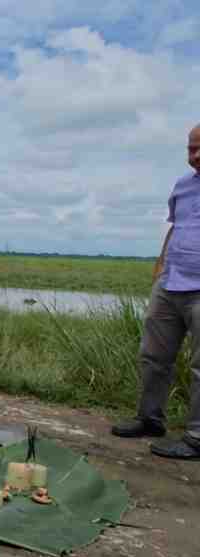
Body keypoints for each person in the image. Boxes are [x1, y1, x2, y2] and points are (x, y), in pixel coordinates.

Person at [112, 124, 200, 459]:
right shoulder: (183, 186)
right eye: (191, 148)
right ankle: (150, 419)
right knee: (153, 355)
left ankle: (196, 438)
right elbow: (176, 226)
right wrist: (161, 265)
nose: (195, 155)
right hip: (171, 281)